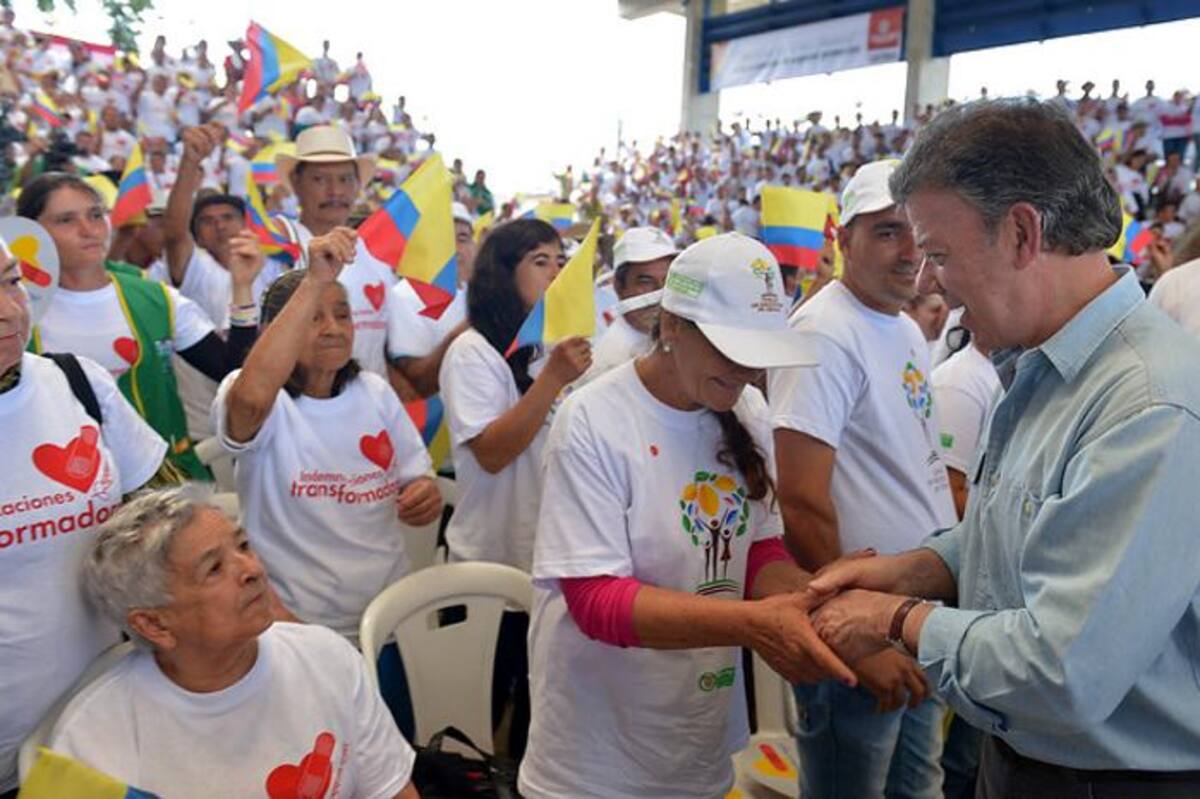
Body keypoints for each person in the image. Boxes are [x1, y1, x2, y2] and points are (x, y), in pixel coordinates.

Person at [809, 99, 1200, 799]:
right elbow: (1028, 529)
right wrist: (921, 568)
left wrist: (898, 619)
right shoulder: (1040, 366)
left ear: (1021, 233)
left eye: (938, 254)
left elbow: (1063, 669)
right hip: (1030, 761)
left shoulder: (1147, 403)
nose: (927, 282)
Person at [519, 233, 855, 799]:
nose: (745, 370)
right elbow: (595, 600)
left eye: (757, 354)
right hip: (597, 757)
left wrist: (815, 601)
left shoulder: (747, 409)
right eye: (730, 350)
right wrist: (754, 624)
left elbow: (758, 550)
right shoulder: (594, 420)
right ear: (672, 325)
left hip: (696, 736)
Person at [769, 159, 955, 799]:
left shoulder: (903, 327)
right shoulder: (823, 333)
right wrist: (856, 635)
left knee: (917, 787)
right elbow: (800, 500)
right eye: (886, 231)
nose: (909, 251)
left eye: (915, 231)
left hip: (913, 616)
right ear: (842, 238)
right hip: (859, 629)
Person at [47, 487, 419, 799]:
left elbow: (391, 791)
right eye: (214, 569)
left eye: (243, 546)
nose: (252, 569)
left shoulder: (327, 657)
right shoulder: (93, 739)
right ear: (153, 623)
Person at [0, 236, 168, 797]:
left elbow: (166, 524)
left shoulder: (77, 382)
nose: (7, 310)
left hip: (114, 724)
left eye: (11, 282)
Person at [214, 227, 440, 638]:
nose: (333, 329)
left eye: (342, 315)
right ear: (275, 331)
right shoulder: (257, 398)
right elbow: (250, 403)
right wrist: (315, 280)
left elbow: (418, 478)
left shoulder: (374, 391)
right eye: (313, 318)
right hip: (293, 621)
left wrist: (423, 494)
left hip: (388, 616)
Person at [438, 218, 592, 757]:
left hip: (549, 560)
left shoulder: (552, 347)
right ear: (503, 274)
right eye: (539, 261)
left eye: (560, 261)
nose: (555, 273)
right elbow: (493, 452)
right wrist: (552, 380)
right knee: (477, 714)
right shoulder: (473, 351)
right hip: (492, 558)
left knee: (538, 707)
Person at [19, 172, 244, 480]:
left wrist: (243, 289)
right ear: (31, 232)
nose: (89, 230)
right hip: (64, 492)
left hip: (164, 487)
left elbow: (232, 368)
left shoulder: (155, 297)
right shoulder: (16, 310)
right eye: (66, 220)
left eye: (95, 215)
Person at [275, 124, 398, 379]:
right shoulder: (282, 247)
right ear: (296, 183)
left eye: (345, 179)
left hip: (371, 399)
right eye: (320, 179)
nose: (335, 191)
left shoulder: (377, 255)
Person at [384, 202, 476, 397]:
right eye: (442, 239)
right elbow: (419, 380)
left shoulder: (475, 292)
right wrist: (473, 323)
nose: (454, 249)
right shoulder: (405, 296)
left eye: (462, 239)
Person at [582, 225, 675, 382]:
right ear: (619, 287)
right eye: (646, 282)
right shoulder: (607, 366)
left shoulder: (682, 341)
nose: (660, 293)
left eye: (668, 281)